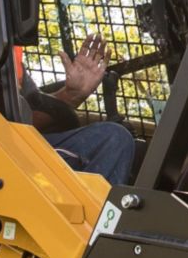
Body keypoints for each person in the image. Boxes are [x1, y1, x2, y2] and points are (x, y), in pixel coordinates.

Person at [30, 33, 137, 189]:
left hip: (30, 140)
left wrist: (71, 95)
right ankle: (98, 212)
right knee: (114, 138)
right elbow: (13, 122)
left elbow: (25, 112)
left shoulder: (8, 58)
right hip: (4, 150)